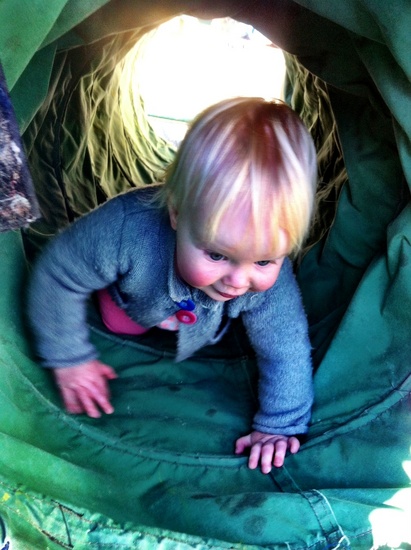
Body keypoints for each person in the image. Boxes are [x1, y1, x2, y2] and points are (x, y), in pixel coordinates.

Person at [27, 97, 317, 474]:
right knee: (118, 321)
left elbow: (286, 345)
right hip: (133, 303)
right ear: (177, 213)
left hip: (210, 327)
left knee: (258, 321)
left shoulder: (266, 281)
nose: (239, 280)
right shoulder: (127, 228)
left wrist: (279, 425)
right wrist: (69, 357)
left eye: (264, 261)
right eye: (217, 254)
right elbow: (59, 273)